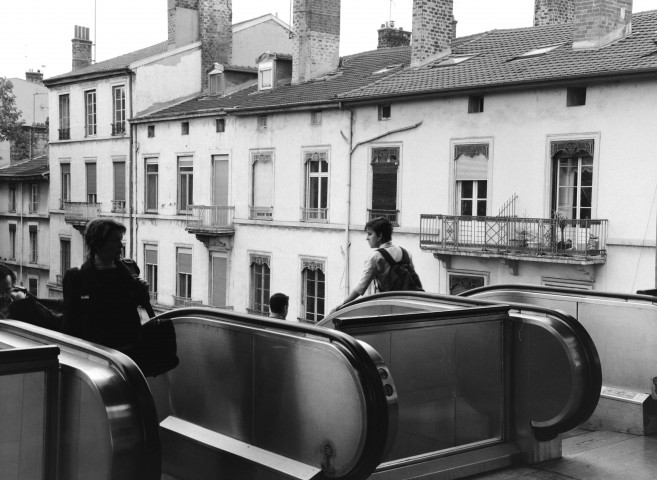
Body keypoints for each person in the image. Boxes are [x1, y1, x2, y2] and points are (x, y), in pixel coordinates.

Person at [63, 218, 149, 351]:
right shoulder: (76, 276)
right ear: (98, 243)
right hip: (97, 353)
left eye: (121, 240)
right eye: (115, 240)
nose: (120, 246)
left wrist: (142, 291)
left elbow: (137, 305)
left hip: (131, 349)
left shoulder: (129, 269)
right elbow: (71, 322)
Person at [334, 216, 421, 311]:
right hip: (412, 304)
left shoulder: (376, 257)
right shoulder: (405, 252)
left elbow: (360, 287)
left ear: (379, 236)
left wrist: (341, 305)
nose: (367, 238)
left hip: (391, 307)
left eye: (370, 234)